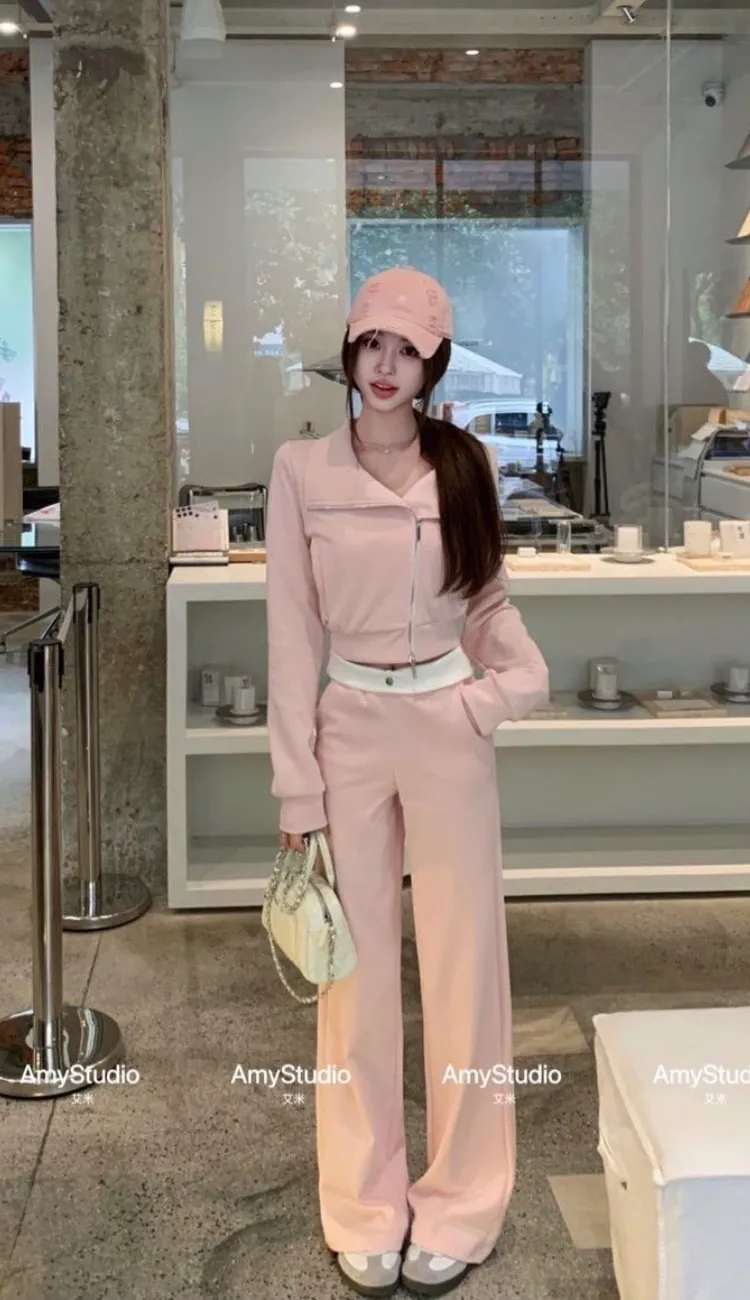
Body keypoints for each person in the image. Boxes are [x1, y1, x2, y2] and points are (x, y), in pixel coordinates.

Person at [265, 267, 549, 1298]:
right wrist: (297, 788)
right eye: (372, 344)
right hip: (348, 728)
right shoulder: (302, 468)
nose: (386, 367)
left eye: (408, 350)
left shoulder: (465, 465)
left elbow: (491, 608)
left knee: (467, 970)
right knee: (351, 978)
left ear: (433, 364)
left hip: (445, 728)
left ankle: (464, 1200)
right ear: (351, 352)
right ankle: (363, 1203)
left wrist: (494, 697)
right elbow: (292, 632)